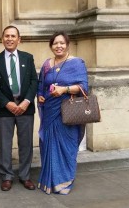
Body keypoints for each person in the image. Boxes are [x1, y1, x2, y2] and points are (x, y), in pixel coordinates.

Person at [37, 31, 88, 195]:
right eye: (55, 43)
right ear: (51, 46)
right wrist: (40, 96)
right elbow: (41, 85)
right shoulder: (46, 64)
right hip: (50, 111)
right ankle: (49, 181)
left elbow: (83, 87)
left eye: (62, 43)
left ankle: (64, 181)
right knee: (48, 144)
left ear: (67, 45)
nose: (58, 46)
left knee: (67, 146)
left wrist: (64, 89)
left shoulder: (77, 63)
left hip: (67, 112)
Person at [0, 25, 38, 191]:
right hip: (5, 108)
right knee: (5, 144)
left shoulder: (27, 58)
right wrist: (7, 103)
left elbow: (34, 81)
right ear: (2, 39)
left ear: (19, 39)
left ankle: (25, 176)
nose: (9, 39)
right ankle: (6, 176)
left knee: (26, 143)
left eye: (13, 36)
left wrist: (26, 101)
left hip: (26, 108)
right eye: (7, 36)